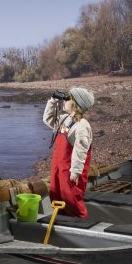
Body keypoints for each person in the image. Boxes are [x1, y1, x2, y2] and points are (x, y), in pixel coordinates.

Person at [43, 87, 95, 218]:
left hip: (71, 170)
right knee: (55, 193)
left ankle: (81, 221)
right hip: (58, 167)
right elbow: (48, 119)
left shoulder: (82, 125)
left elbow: (81, 149)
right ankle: (61, 219)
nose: (65, 101)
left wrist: (76, 171)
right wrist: (52, 102)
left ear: (76, 104)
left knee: (71, 197)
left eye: (68, 99)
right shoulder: (65, 119)